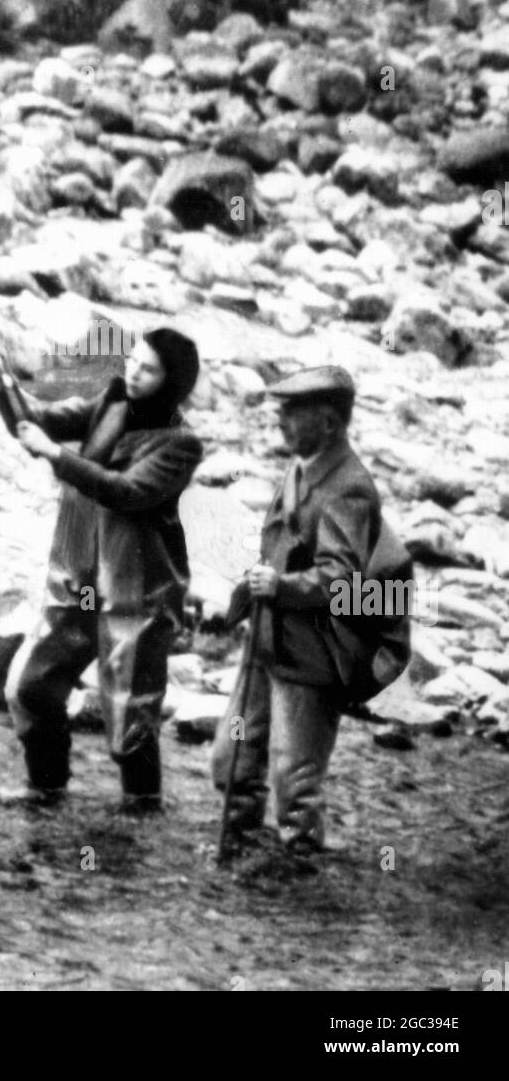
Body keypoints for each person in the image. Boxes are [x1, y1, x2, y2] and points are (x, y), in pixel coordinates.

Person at [0, 328, 203, 812]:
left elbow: (126, 491)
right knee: (30, 684)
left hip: (138, 589)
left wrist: (55, 454)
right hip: (78, 575)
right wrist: (0, 377)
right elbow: (36, 421)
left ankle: (141, 810)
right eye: (132, 360)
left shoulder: (180, 444)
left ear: (174, 382)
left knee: (130, 709)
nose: (133, 372)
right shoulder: (112, 401)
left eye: (148, 369)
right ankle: (45, 788)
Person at [211, 365, 381, 860]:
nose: (279, 423)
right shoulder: (301, 466)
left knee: (295, 782)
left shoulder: (349, 487)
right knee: (232, 759)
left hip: (310, 658)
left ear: (328, 424)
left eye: (291, 414)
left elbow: (342, 577)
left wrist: (280, 586)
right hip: (266, 641)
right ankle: (241, 853)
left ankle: (301, 878)